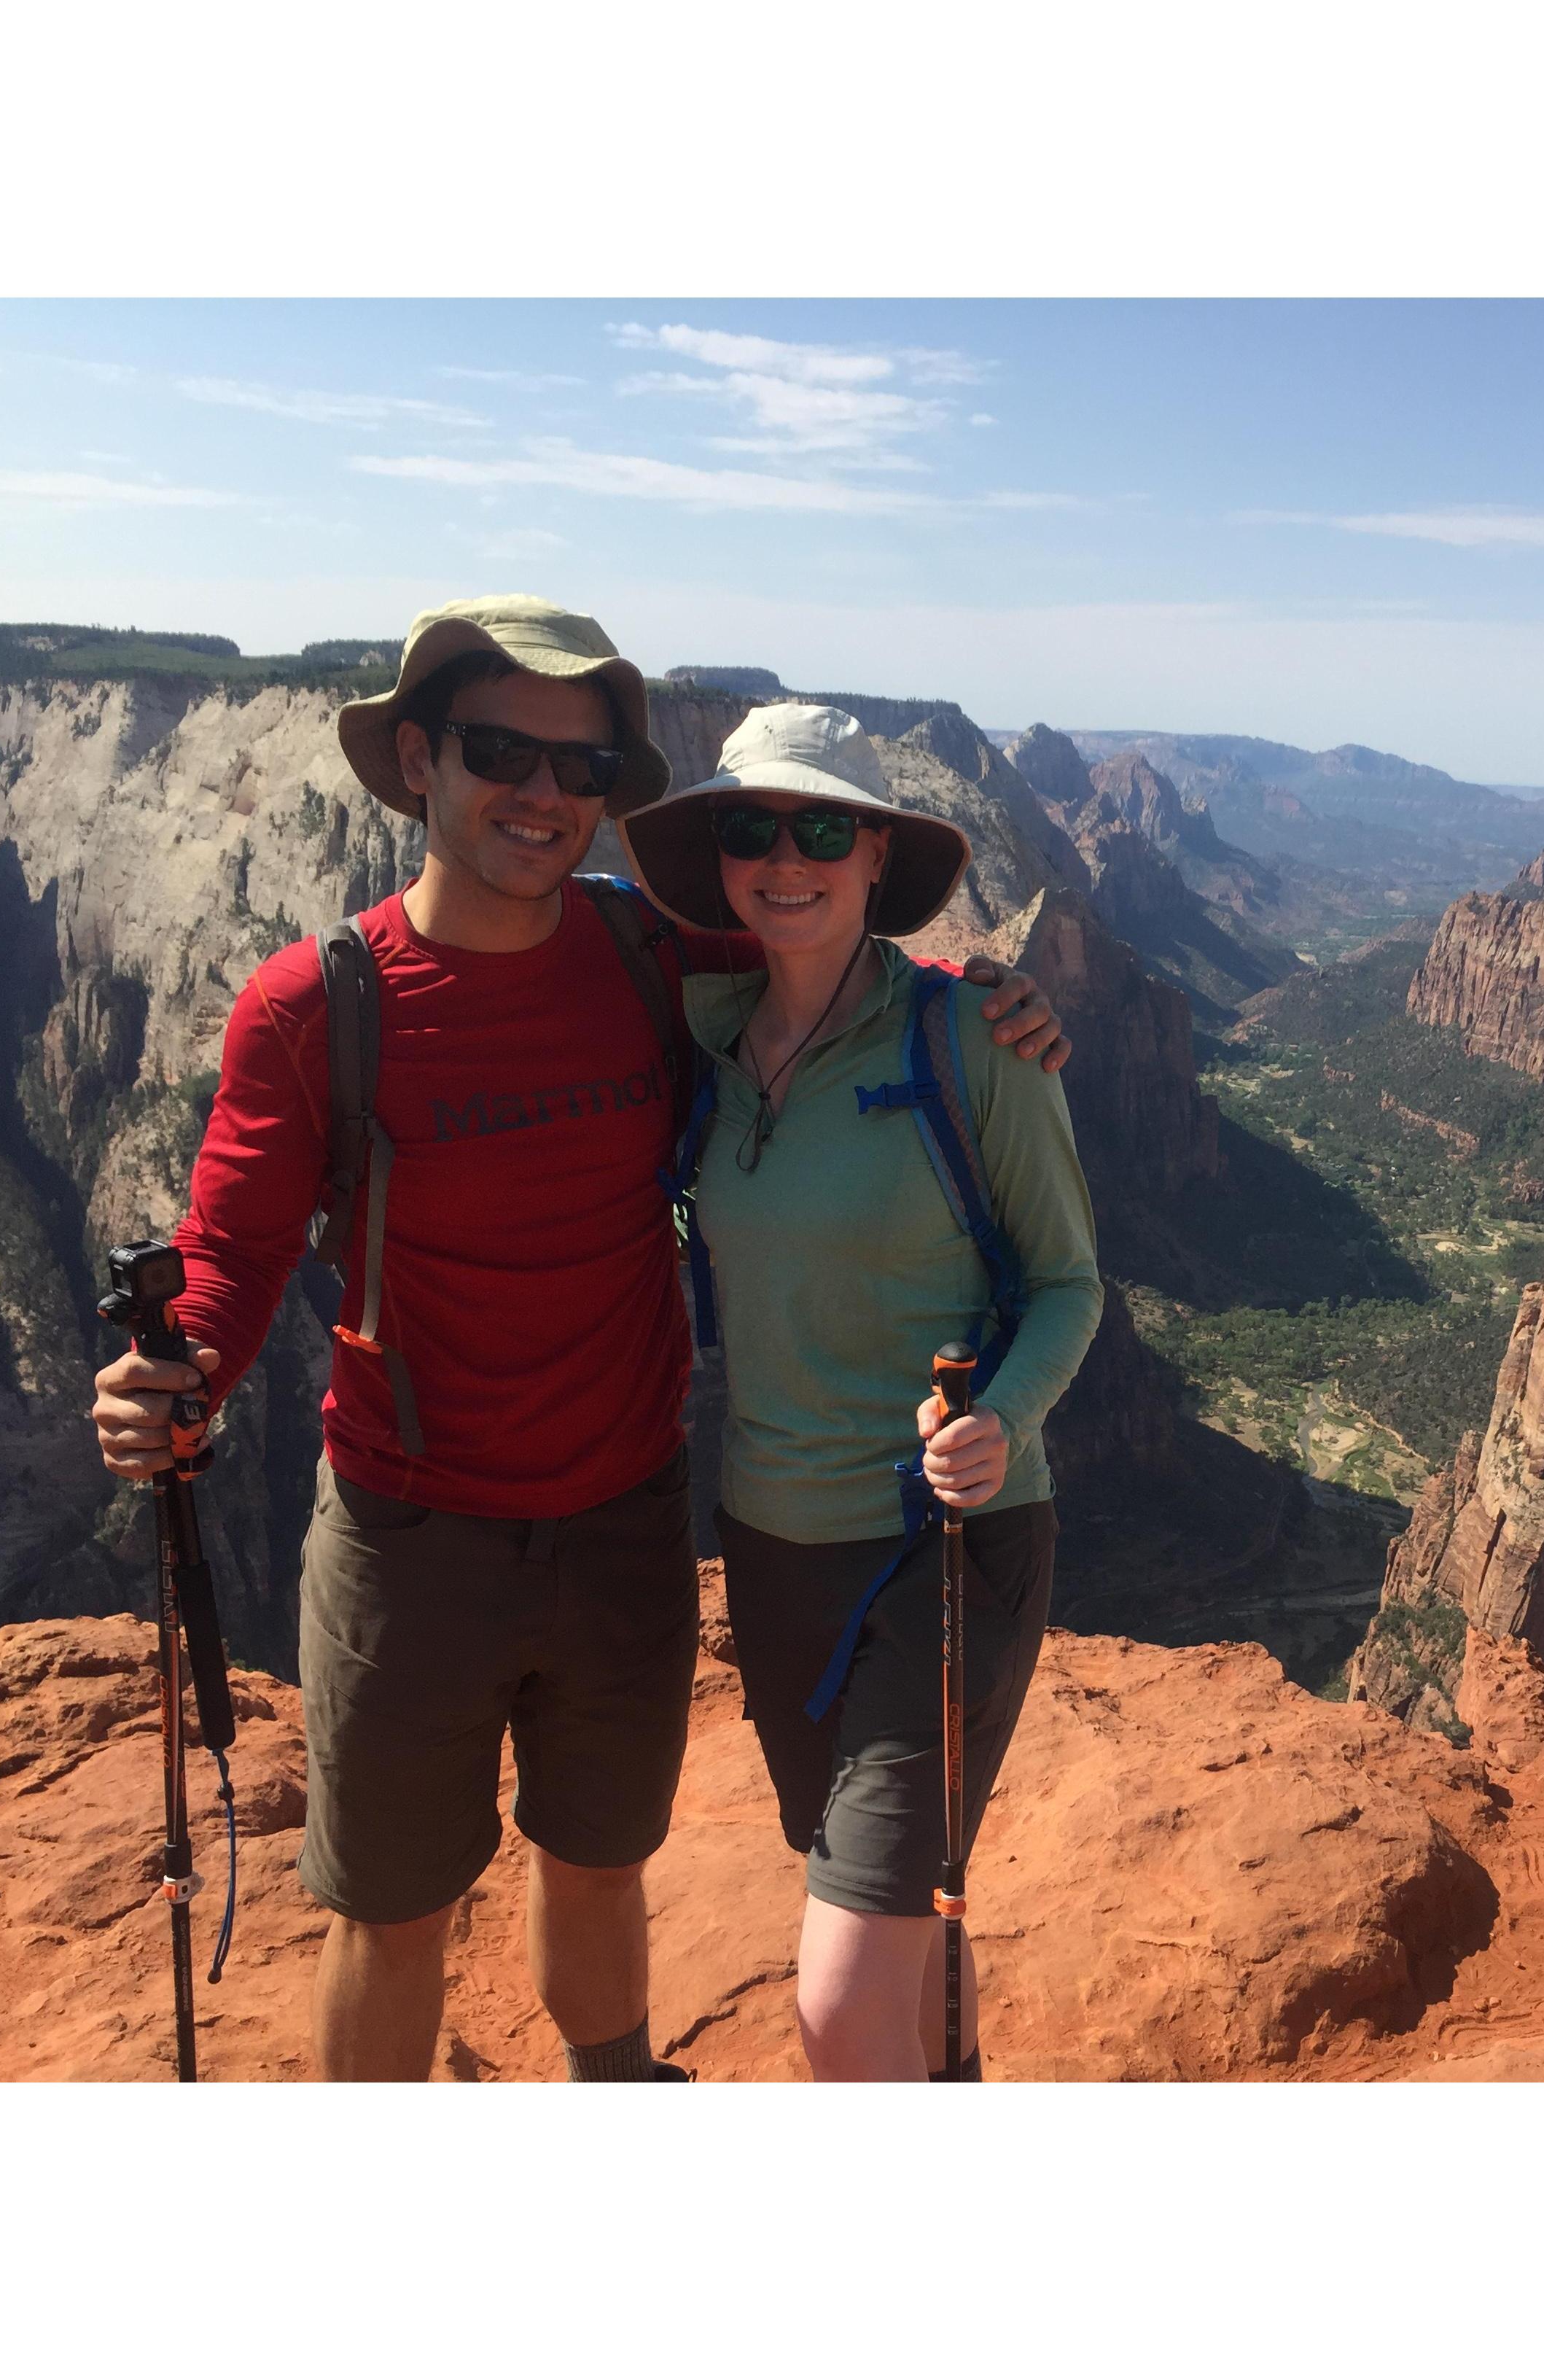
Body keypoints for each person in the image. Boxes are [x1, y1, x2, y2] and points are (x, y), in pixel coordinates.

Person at [85, 596, 1069, 2082]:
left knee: (600, 1861)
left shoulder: (647, 959)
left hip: (624, 1522)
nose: (544, 797)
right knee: (396, 1912)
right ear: (419, 759)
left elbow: (836, 984)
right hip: (411, 1533)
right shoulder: (316, 1006)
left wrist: (999, 1000)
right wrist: (186, 1377)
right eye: (500, 752)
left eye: (583, 768)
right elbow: (232, 1245)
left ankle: (618, 2089)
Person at [617, 703, 1101, 2080]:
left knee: (835, 1993)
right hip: (770, 1546)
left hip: (943, 1545)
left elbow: (1071, 1281)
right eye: (754, 829)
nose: (789, 858)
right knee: (893, 1900)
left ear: (878, 852)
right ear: (718, 855)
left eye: (825, 828)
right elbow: (529, 910)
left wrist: (1004, 1419)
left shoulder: (974, 1041)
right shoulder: (700, 1029)